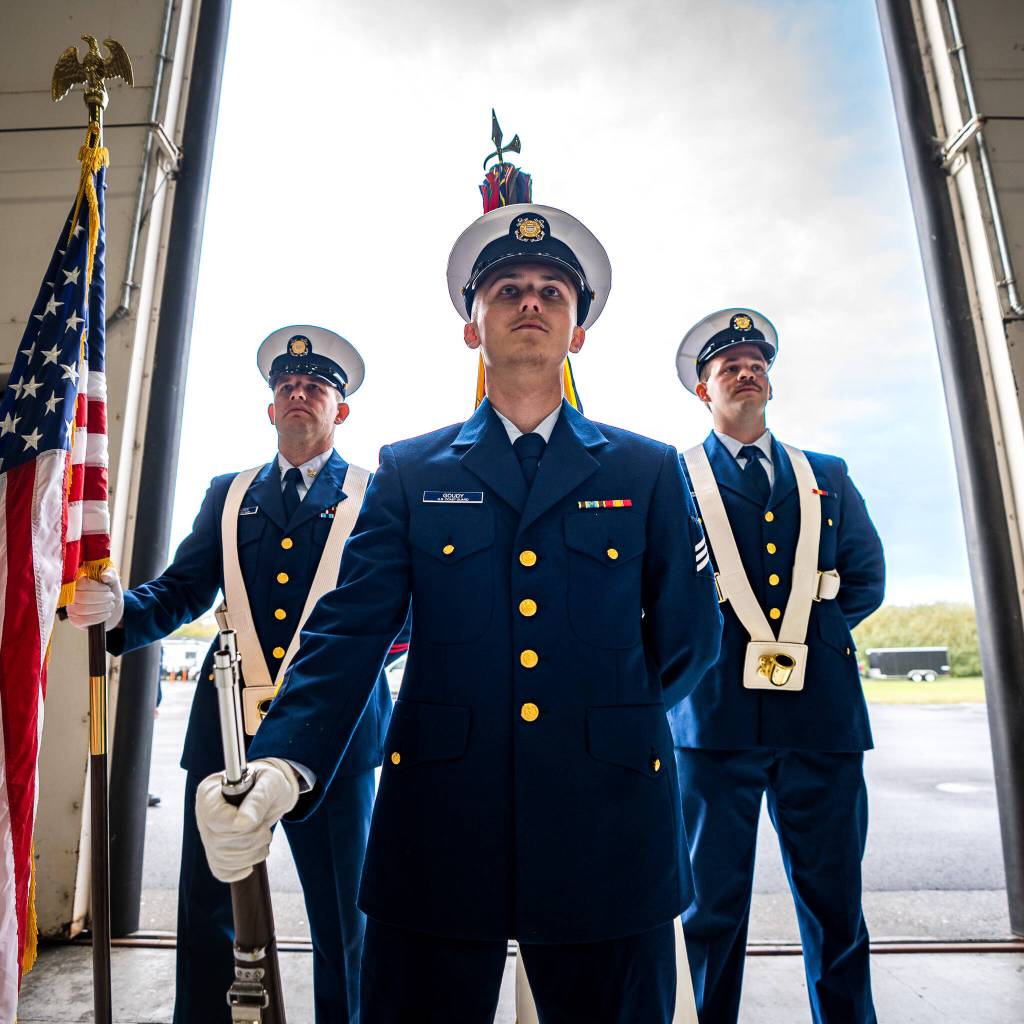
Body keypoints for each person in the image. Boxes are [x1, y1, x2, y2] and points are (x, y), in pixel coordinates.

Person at [194, 203, 724, 1023]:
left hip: (607, 820)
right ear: (471, 326)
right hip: (442, 822)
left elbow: (690, 638)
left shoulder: (648, 469)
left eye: (553, 291)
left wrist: (603, 719)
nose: (531, 301)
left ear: (578, 331)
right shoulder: (411, 470)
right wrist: (283, 763)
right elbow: (349, 631)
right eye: (507, 287)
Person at [67, 326, 405, 1023]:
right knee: (207, 911)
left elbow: (403, 613)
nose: (298, 393)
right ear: (270, 408)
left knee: (344, 918)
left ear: (341, 410)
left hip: (335, 740)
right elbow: (183, 591)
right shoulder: (231, 493)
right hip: (227, 730)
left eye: (316, 386)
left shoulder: (378, 494)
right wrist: (120, 612)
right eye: (286, 386)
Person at [670, 308, 885, 1023]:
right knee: (708, 906)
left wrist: (802, 640)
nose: (745, 368)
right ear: (703, 389)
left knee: (836, 904)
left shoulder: (826, 474)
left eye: (757, 359)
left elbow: (864, 577)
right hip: (712, 721)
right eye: (727, 363)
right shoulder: (670, 477)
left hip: (820, 718)